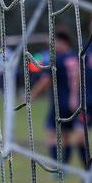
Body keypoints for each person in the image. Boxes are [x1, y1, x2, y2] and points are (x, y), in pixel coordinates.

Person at [29, 27, 83, 166]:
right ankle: (64, 166)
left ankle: (58, 167)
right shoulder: (75, 57)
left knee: (51, 133)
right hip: (74, 102)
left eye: (54, 42)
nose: (52, 46)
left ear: (63, 42)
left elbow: (45, 81)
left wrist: (31, 96)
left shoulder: (58, 59)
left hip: (60, 102)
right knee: (66, 135)